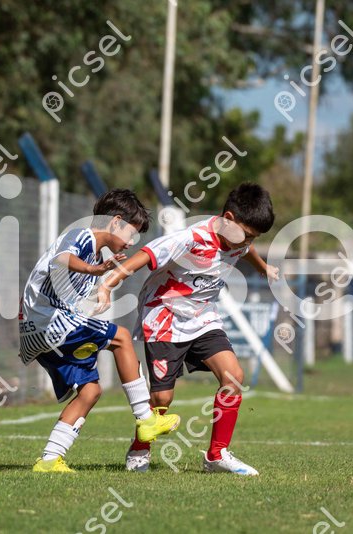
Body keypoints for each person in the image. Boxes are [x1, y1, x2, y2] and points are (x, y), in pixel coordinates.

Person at [96, 183, 279, 475]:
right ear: (228, 219)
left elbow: (247, 250)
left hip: (203, 318)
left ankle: (216, 455)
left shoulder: (238, 239)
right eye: (247, 234)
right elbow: (146, 255)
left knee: (233, 376)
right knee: (162, 399)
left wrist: (262, 267)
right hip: (164, 317)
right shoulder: (191, 238)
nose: (247, 242)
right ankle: (140, 447)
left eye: (253, 237)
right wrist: (107, 284)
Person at [19, 189, 180, 473]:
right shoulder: (82, 236)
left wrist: (97, 295)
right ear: (115, 222)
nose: (131, 242)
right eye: (131, 233)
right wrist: (93, 271)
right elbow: (61, 259)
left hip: (39, 330)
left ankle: (49, 460)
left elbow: (65, 288)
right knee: (121, 338)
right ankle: (145, 419)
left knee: (90, 391)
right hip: (49, 322)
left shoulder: (94, 254)